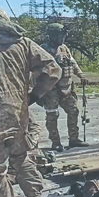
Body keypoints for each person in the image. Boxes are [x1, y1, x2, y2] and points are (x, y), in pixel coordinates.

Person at [0, 8, 62, 197]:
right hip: (19, 115)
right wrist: (33, 96)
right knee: (22, 158)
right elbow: (53, 70)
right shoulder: (23, 42)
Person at [39, 23, 89, 151]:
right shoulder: (42, 50)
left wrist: (81, 76)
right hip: (51, 90)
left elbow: (73, 63)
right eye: (60, 36)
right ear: (53, 36)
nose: (63, 38)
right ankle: (55, 142)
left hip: (67, 88)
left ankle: (74, 139)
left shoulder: (64, 48)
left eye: (63, 36)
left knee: (73, 111)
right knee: (52, 115)